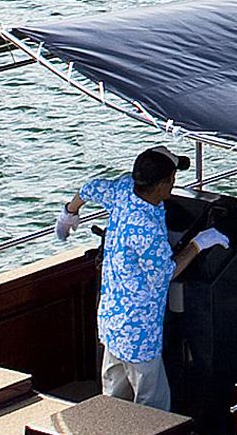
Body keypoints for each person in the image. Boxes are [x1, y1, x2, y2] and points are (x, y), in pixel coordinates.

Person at [56, 147, 200, 409]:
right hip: (140, 333)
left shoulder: (122, 190)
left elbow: (90, 188)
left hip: (112, 322)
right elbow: (165, 274)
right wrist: (198, 245)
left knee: (113, 400)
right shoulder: (147, 229)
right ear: (165, 182)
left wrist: (69, 213)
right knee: (153, 405)